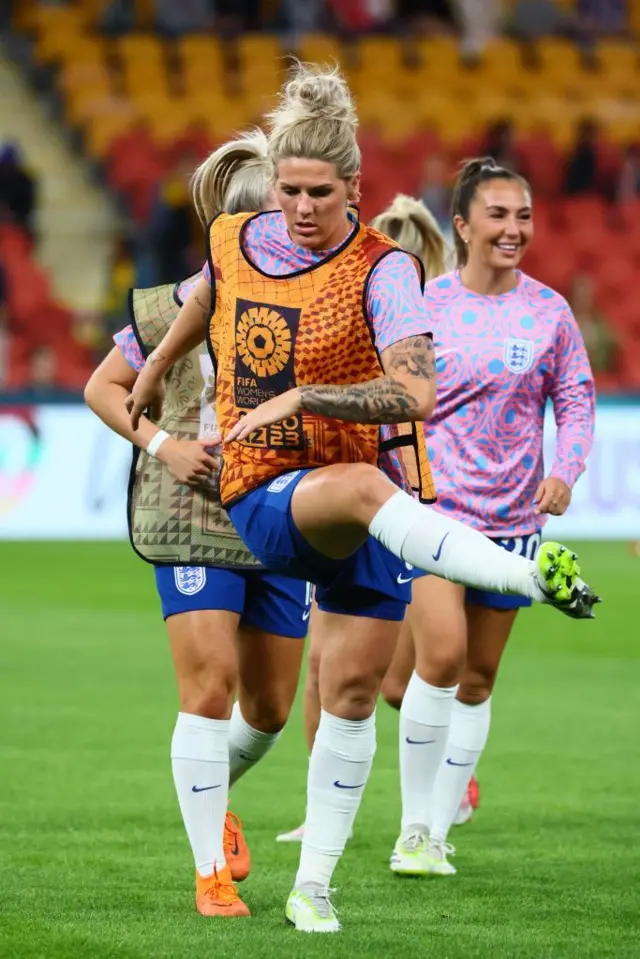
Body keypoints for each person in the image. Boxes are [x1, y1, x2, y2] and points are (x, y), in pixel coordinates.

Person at [126, 64, 600, 933]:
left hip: (369, 504)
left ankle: (316, 885)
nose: (301, 208)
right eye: (290, 190)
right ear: (275, 184)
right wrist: (155, 371)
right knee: (356, 491)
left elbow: (414, 396)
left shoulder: (386, 272)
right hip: (268, 490)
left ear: (355, 189)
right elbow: (201, 301)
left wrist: (308, 397)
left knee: (346, 694)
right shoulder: (238, 238)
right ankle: (528, 577)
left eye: (320, 193)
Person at [85, 129, 311, 921]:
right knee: (208, 685)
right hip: (190, 513)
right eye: (255, 222)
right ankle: (210, 869)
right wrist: (163, 443)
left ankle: (214, 796)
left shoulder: (311, 301)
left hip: (280, 509)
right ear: (227, 228)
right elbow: (103, 386)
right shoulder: (173, 301)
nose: (271, 234)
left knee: (272, 708)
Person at [379, 158, 596, 878]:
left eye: (523, 215)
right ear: (463, 226)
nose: (513, 229)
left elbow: (576, 400)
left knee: (476, 679)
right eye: (498, 215)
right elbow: (392, 402)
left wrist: (564, 470)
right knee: (435, 660)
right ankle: (412, 829)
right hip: (435, 513)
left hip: (513, 524)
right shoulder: (424, 307)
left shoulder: (550, 313)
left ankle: (436, 832)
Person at [275, 194, 477, 844]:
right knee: (326, 665)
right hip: (346, 506)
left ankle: (443, 776)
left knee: (410, 674)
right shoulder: (339, 321)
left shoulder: (429, 335)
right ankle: (320, 810)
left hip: (414, 506)